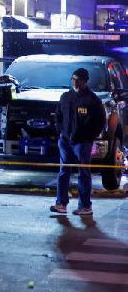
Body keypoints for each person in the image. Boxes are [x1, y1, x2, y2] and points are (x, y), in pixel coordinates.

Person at [50, 67, 105, 216]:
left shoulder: (92, 100)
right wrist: (61, 132)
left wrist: (89, 136)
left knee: (84, 173)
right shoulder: (66, 97)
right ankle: (61, 204)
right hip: (65, 141)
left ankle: (85, 206)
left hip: (82, 143)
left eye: (78, 80)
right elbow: (58, 116)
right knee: (63, 172)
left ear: (85, 81)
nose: (75, 82)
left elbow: (100, 121)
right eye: (73, 79)